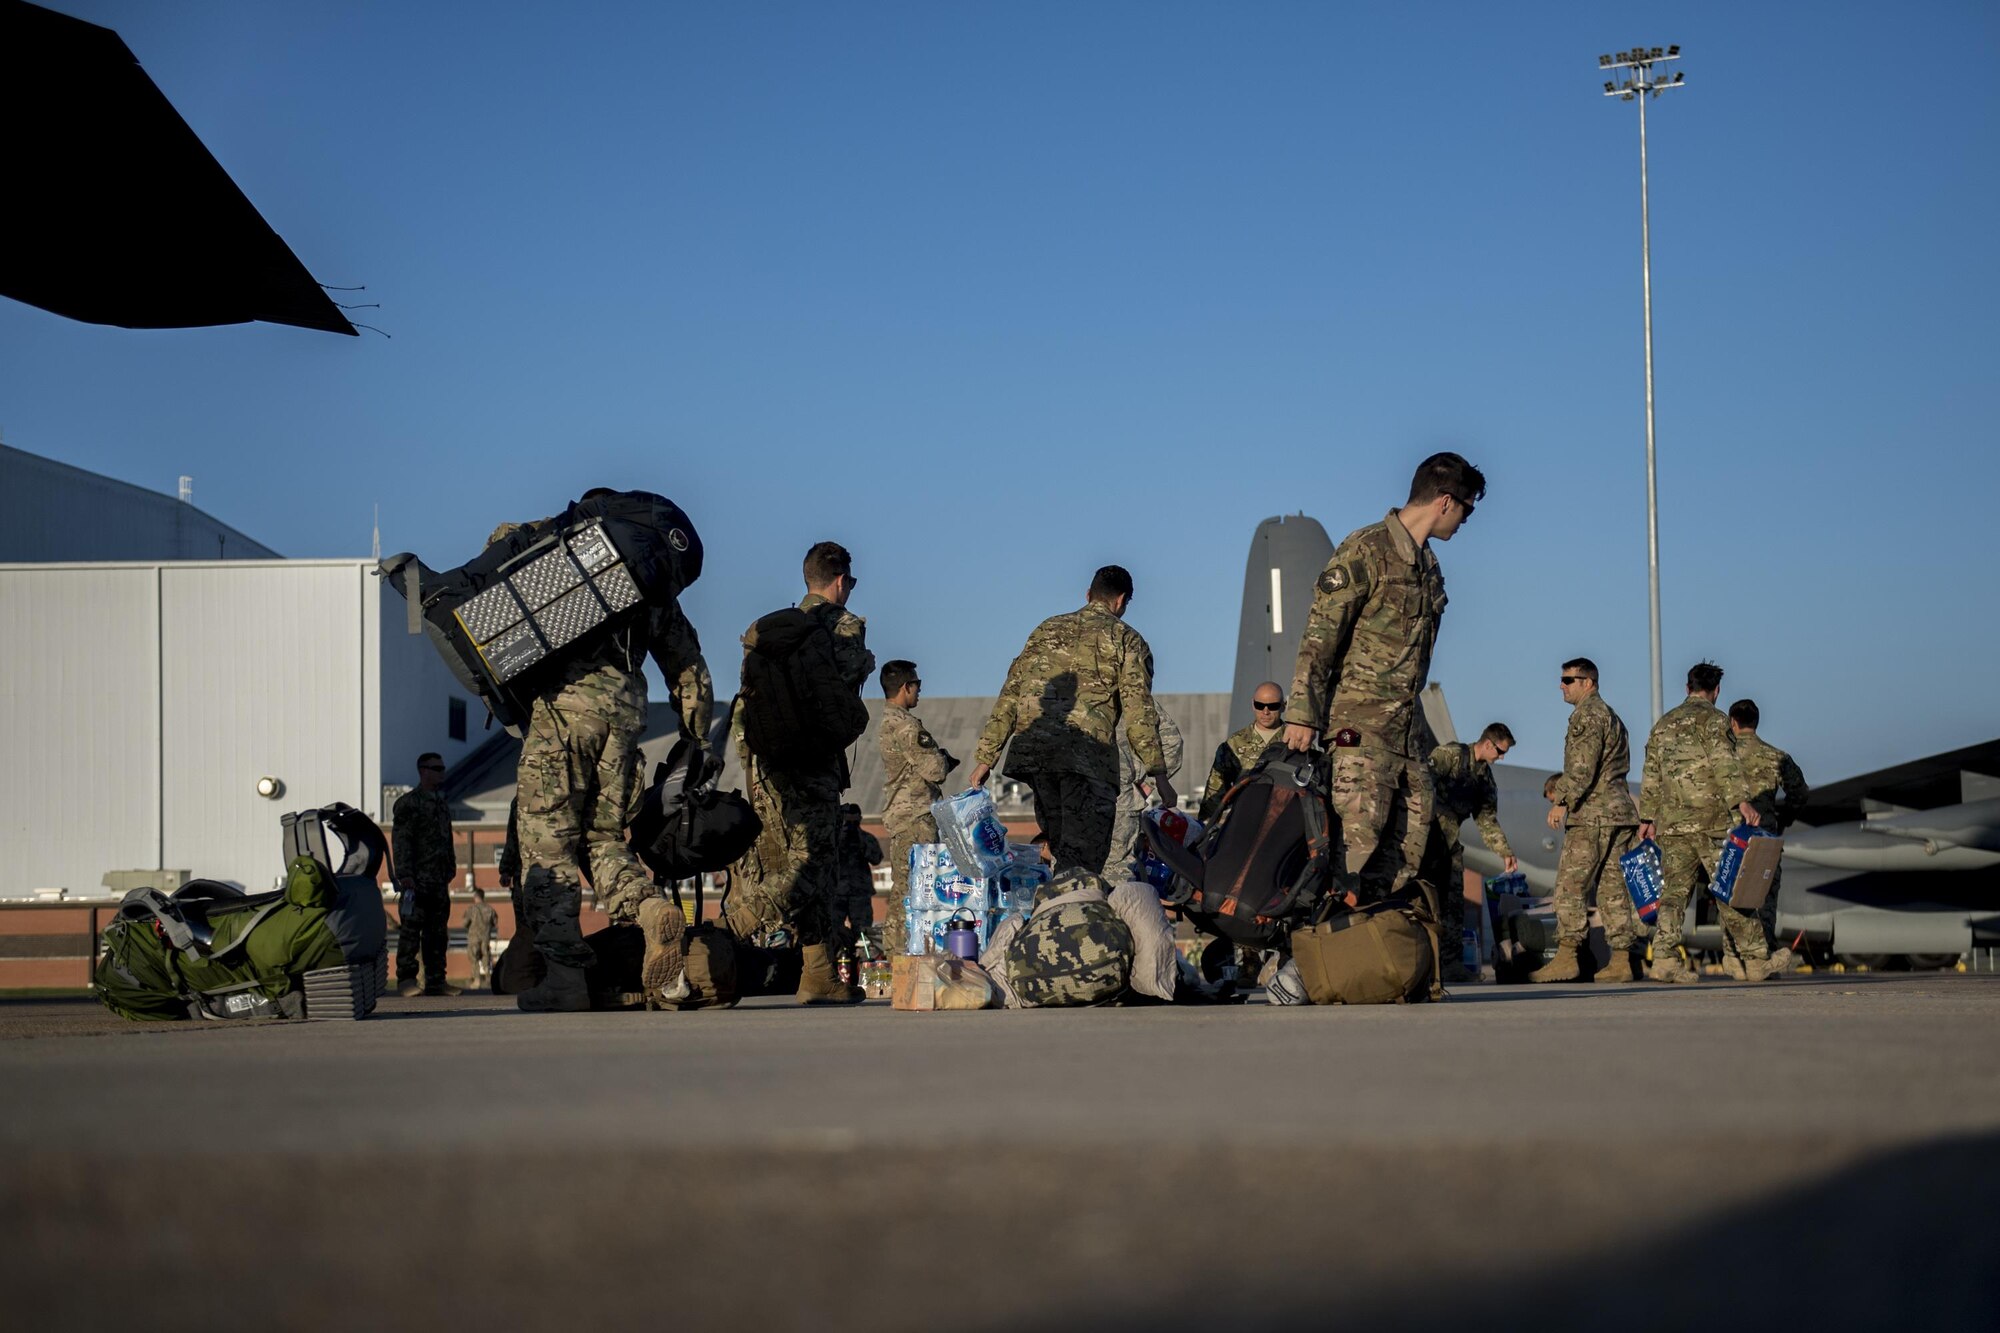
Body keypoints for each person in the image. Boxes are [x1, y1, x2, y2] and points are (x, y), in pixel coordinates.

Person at [498, 497, 714, 1012]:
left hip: (562, 716)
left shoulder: (566, 560)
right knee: (602, 841)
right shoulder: (652, 583)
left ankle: (565, 978)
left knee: (548, 848)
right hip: (623, 720)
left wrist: (548, 528)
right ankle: (649, 908)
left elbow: (500, 547)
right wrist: (694, 737)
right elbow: (691, 670)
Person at [1283, 452, 1484, 905]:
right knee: (1351, 857)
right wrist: (1302, 714)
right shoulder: (1366, 549)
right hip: (1359, 733)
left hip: (1408, 740)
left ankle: (1364, 966)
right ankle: (1309, 966)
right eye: (1468, 509)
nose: (1467, 520)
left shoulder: (1429, 567)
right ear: (1446, 501)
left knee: (1403, 860)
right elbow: (1320, 637)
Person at [733, 540, 874, 1003]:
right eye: (849, 582)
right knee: (813, 863)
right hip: (813, 761)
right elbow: (847, 684)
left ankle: (818, 974)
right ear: (839, 581)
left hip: (769, 763)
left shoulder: (774, 631)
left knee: (804, 861)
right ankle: (737, 922)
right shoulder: (843, 624)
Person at [969, 566, 1176, 874]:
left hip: (1039, 761)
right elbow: (1138, 713)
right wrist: (1159, 775)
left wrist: (986, 759)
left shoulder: (1045, 630)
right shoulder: (1127, 640)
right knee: (1084, 864)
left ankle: (1057, 914)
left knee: (1060, 851)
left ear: (1088, 594)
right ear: (1121, 601)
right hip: (1087, 765)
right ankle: (1076, 916)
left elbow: (1011, 695)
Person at [1638, 662, 1775, 983]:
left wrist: (1647, 817)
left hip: (1672, 824)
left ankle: (1664, 960)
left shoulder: (1663, 724)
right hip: (1711, 822)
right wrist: (1740, 801)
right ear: (1716, 691)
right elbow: (1725, 763)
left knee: (1672, 895)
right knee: (1730, 889)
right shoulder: (1716, 721)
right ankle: (1755, 960)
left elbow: (1650, 775)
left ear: (1687, 688)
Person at [1532, 661, 1645, 983]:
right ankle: (1621, 961)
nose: (1562, 685)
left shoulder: (1588, 715)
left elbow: (1582, 767)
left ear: (1588, 682)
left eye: (1569, 679)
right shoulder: (1611, 716)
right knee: (1613, 890)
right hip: (1619, 813)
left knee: (1571, 886)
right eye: (1561, 679)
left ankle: (1567, 957)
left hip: (1593, 814)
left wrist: (1562, 801)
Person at [1424, 722, 1519, 982]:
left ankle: (1451, 965)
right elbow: (1421, 784)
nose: (1501, 758)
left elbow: (1487, 820)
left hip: (1449, 844)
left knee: (1453, 901)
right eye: (1500, 751)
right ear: (1488, 743)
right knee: (1420, 899)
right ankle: (1419, 962)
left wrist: (1505, 851)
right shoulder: (1450, 756)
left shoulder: (1484, 779)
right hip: (1424, 839)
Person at [877, 659, 955, 955]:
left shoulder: (887, 721)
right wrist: (944, 758)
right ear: (905, 688)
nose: (919, 692)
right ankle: (902, 955)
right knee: (915, 888)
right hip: (916, 815)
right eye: (917, 686)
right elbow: (935, 770)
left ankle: (897, 954)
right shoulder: (907, 726)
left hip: (902, 815)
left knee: (904, 887)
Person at [1726, 699, 1807, 977]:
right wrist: (1784, 818)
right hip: (1765, 837)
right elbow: (1800, 792)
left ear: (1732, 722)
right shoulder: (1776, 756)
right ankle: (1765, 956)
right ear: (1756, 722)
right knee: (1765, 897)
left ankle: (1735, 956)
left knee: (1730, 895)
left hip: (1731, 838)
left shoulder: (1725, 756)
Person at [392, 753, 460, 998]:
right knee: (411, 932)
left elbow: (447, 839)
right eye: (436, 768)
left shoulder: (441, 804)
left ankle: (436, 981)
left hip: (438, 880)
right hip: (416, 881)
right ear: (423, 771)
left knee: (437, 934)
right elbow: (401, 840)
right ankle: (406, 980)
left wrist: (450, 868)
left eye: (443, 768)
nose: (442, 772)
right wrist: (405, 874)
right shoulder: (409, 804)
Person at [1103, 699, 1183, 880]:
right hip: (1119, 797)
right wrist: (1145, 785)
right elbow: (1172, 743)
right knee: (1116, 870)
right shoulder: (1128, 692)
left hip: (1069, 795)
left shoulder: (1059, 688)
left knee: (1069, 869)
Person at [1198, 682, 1287, 825]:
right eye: (1260, 705)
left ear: (1284, 705)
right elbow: (1216, 790)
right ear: (1253, 704)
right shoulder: (1234, 744)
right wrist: (1205, 828)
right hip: (1246, 822)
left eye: (1273, 706)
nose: (1265, 711)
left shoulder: (1295, 742)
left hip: (1284, 821)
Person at [835, 803, 883, 975]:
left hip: (859, 893)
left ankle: (866, 966)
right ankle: (836, 966)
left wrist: (859, 838)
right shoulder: (832, 839)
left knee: (863, 932)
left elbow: (876, 858)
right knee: (834, 930)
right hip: (837, 894)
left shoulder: (865, 838)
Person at [464, 887, 499, 990]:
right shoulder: (490, 909)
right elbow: (495, 923)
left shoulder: (471, 909)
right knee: (486, 957)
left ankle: (477, 980)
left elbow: (465, 923)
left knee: (474, 958)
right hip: (485, 938)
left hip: (474, 938)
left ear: (476, 897)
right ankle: (489, 979)